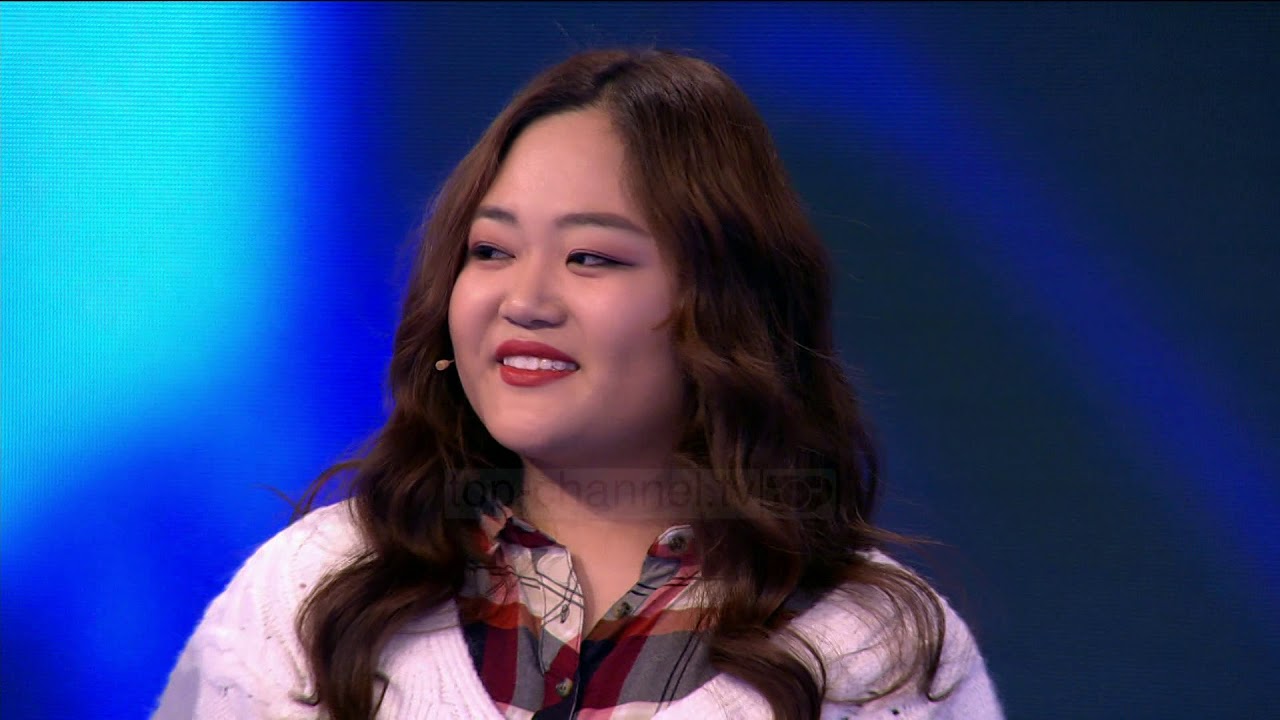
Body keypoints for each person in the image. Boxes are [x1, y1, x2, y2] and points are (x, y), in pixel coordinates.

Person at [153, 47, 1002, 719]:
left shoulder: (873, 648)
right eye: (491, 250)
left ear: (724, 304)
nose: (524, 300)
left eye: (590, 257)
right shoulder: (313, 592)